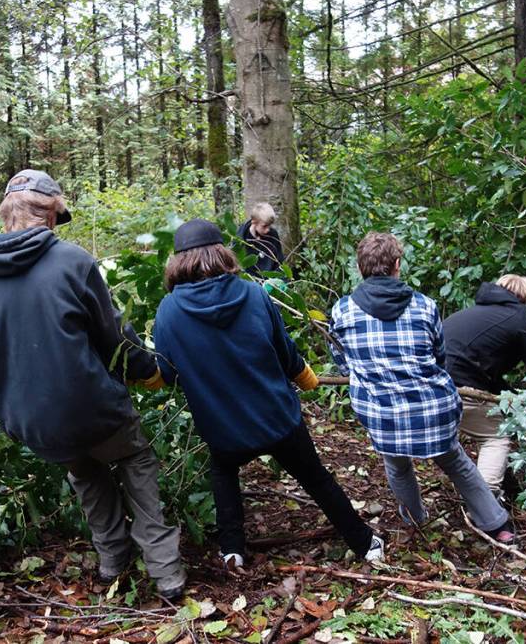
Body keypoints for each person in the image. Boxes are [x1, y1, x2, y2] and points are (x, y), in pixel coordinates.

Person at [0, 169, 186, 599]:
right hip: (88, 405)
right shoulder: (73, 260)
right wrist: (148, 370)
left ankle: (112, 561)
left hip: (29, 417)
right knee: (135, 462)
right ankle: (166, 574)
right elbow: (113, 336)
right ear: (51, 213)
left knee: (86, 473)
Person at [152, 219, 384, 571]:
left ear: (177, 262)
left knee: (224, 473)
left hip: (223, 429)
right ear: (221, 253)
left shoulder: (169, 311)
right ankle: (364, 543)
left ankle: (232, 551)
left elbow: (167, 374)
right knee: (316, 478)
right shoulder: (253, 293)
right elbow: (284, 351)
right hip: (276, 418)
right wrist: (306, 378)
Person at [329, 232, 514, 543]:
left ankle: (415, 520)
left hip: (383, 413)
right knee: (456, 461)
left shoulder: (342, 310)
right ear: (397, 265)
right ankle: (497, 524)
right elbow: (439, 357)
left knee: (397, 466)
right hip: (432, 408)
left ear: (360, 268)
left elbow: (342, 361)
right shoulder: (424, 306)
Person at [444, 275, 526, 496]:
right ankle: (485, 501)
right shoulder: (522, 318)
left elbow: (481, 367)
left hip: (429, 387)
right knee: (496, 436)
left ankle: (509, 487)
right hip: (461, 389)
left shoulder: (469, 314)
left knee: (491, 421)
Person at [238, 203, 285, 276]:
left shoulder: (273, 235)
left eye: (269, 226)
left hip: (269, 279)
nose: (268, 230)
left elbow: (279, 261)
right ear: (254, 222)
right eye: (264, 226)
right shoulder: (242, 236)